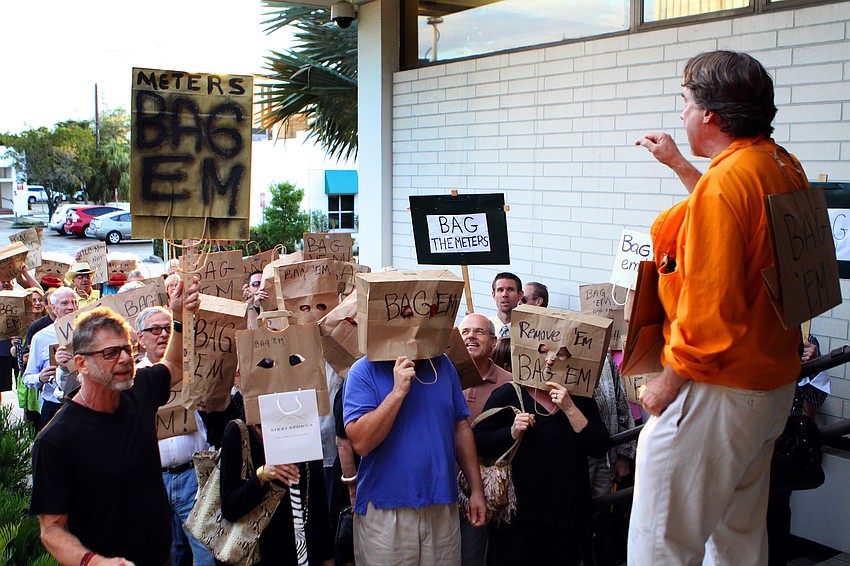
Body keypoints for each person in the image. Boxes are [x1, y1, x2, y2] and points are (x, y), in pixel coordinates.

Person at [629, 50, 805, 565]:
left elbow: (710, 311)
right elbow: (735, 227)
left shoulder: (730, 181)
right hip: (768, 383)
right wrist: (681, 164)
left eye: (685, 102)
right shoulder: (778, 163)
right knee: (736, 540)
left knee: (661, 542)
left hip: (717, 389)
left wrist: (665, 384)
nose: (681, 113)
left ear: (711, 116)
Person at [30, 277, 199, 566]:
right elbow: (51, 530)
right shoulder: (55, 440)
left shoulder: (140, 390)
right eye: (110, 353)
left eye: (128, 349)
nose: (124, 359)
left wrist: (180, 316)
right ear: (81, 363)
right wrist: (94, 562)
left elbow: (171, 366)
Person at [343, 353, 487, 564]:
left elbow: (460, 427)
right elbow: (361, 443)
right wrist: (397, 392)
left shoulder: (443, 364)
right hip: (386, 510)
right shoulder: (363, 370)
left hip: (442, 506)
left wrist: (476, 490)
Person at [473, 364, 608, 565]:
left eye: (559, 354)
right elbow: (478, 442)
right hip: (517, 522)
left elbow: (599, 446)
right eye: (542, 351)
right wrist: (510, 433)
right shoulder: (508, 393)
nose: (550, 360)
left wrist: (570, 408)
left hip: (566, 520)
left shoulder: (580, 398)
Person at [135, 306, 214, 566]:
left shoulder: (195, 368)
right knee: (168, 553)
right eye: (155, 329)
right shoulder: (133, 380)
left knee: (204, 553)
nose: (163, 335)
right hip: (153, 480)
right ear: (139, 337)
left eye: (168, 329)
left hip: (193, 476)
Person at [219, 420, 335, 566]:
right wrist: (262, 475)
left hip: (306, 549)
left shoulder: (303, 424)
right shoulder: (238, 431)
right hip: (263, 551)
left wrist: (328, 556)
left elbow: (318, 497)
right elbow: (229, 507)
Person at [458, 313, 513, 566]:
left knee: (473, 557)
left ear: (493, 341)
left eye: (478, 332)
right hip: (440, 488)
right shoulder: (439, 377)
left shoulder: (509, 384)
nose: (470, 336)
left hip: (481, 490)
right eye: (465, 332)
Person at [22, 287, 79, 430]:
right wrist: (40, 377)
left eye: (74, 302)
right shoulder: (41, 337)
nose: (71, 307)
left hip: (83, 404)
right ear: (53, 308)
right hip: (53, 406)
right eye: (64, 303)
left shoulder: (89, 332)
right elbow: (27, 378)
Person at [490, 273, 523, 338]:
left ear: (520, 294)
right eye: (500, 290)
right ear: (493, 295)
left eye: (510, 290)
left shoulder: (529, 332)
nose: (505, 294)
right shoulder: (484, 327)